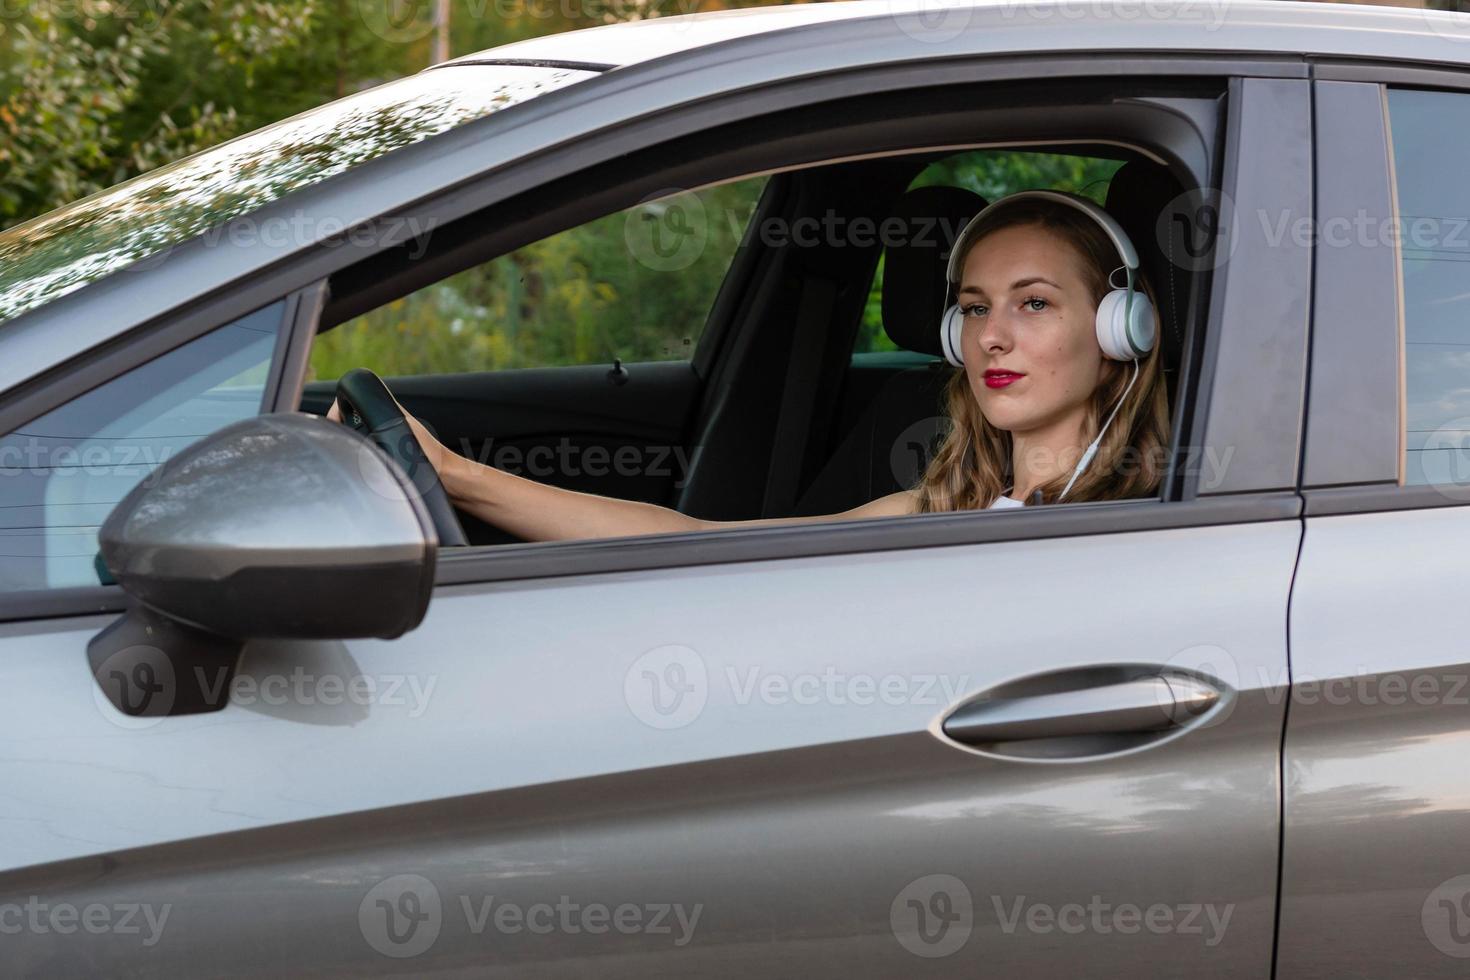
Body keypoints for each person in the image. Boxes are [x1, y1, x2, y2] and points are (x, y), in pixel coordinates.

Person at [326, 189, 1171, 541]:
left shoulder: (1158, 527)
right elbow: (699, 546)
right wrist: (452, 475)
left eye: (1033, 303)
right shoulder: (939, 507)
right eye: (976, 307)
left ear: (1118, 330)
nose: (990, 336)